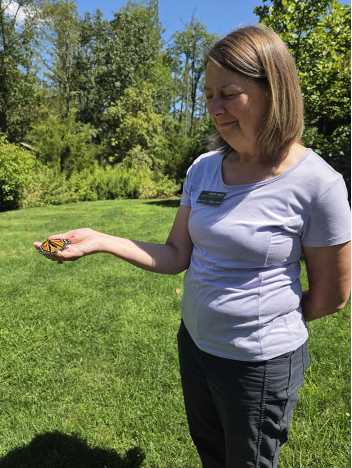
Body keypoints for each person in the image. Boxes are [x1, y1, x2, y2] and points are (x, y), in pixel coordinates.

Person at [34, 25, 351, 468]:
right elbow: (177, 254)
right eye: (207, 96)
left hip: (256, 364)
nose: (215, 109)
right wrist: (102, 240)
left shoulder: (318, 184)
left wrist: (261, 325)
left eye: (229, 93)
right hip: (196, 344)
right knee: (211, 453)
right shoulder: (203, 169)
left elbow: (331, 296)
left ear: (274, 91)